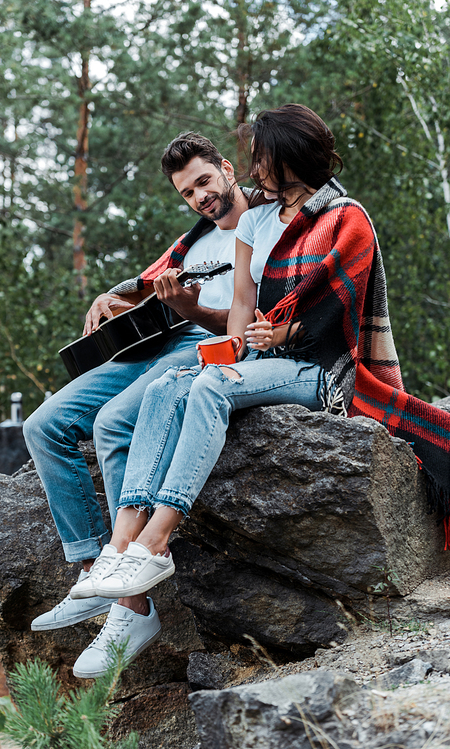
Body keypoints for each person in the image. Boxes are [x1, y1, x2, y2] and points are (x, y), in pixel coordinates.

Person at [69, 102, 394, 678]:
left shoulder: (347, 217)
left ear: (289, 156)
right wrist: (242, 342)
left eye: (263, 159)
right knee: (171, 381)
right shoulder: (252, 223)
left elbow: (336, 319)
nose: (256, 170)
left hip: (320, 367)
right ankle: (121, 549)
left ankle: (155, 544)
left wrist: (280, 331)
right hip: (265, 358)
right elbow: (241, 318)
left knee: (211, 385)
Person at [24, 133, 250, 657]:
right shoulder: (192, 240)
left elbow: (254, 317)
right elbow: (146, 284)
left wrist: (194, 311)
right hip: (157, 338)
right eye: (187, 192)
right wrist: (116, 295)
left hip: (204, 343)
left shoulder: (263, 227)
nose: (199, 196)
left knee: (113, 422)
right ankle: (91, 571)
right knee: (43, 425)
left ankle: (131, 608)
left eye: (204, 182)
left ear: (228, 169)